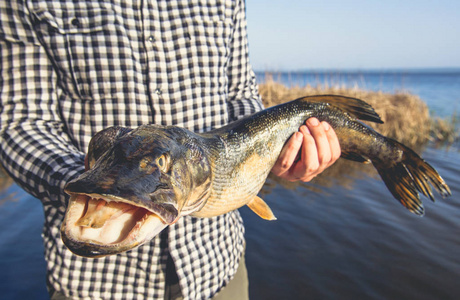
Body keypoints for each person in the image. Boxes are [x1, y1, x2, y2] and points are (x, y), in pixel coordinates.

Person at [0, 0, 340, 299]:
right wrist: (92, 184)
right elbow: (19, 121)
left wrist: (273, 158)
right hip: (95, 286)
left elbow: (240, 99)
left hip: (217, 266)